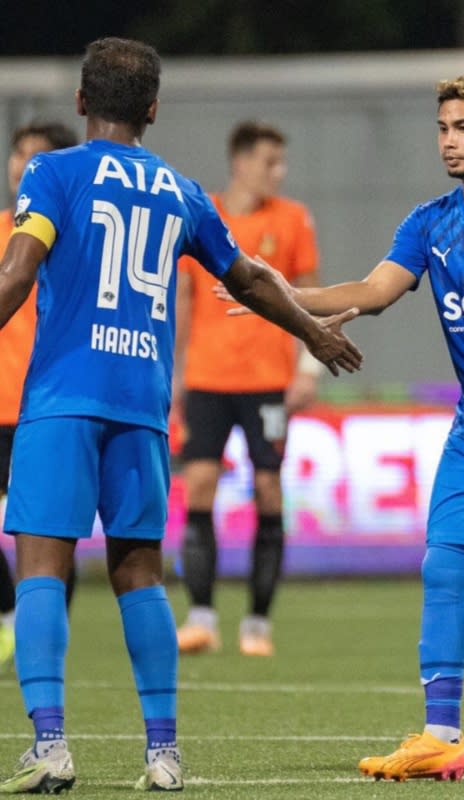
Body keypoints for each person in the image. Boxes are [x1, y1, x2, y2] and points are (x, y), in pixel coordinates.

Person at [0, 37, 361, 793]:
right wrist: (313, 332)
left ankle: (51, 744)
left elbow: (18, 271)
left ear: (79, 101)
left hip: (64, 398)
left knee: (41, 566)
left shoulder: (53, 172)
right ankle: (163, 755)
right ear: (154, 109)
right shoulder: (181, 190)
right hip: (141, 405)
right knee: (140, 573)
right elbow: (251, 280)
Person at [224, 68, 464, 783]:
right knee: (441, 565)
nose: (448, 141)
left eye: (462, 127)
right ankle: (441, 737)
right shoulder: (430, 222)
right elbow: (371, 291)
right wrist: (280, 291)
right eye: (441, 128)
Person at [173, 120, 321, 658]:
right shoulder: (203, 215)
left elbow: (309, 296)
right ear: (240, 162)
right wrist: (174, 375)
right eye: (269, 162)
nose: (277, 173)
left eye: (280, 163)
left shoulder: (292, 220)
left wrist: (309, 368)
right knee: (201, 487)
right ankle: (202, 618)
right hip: (207, 379)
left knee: (267, 490)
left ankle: (257, 624)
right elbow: (186, 301)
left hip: (267, 383)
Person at [0, 122, 81, 673]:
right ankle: (11, 616)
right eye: (18, 154)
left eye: (37, 157)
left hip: (43, 403)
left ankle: (53, 636)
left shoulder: (73, 238)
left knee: (52, 533)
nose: (24, 166)